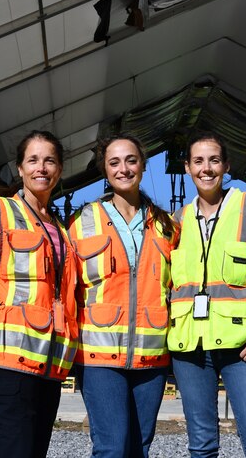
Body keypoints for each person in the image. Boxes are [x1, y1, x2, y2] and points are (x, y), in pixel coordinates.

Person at [168, 131, 246, 458]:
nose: (205, 168)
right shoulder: (177, 222)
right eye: (198, 161)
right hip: (191, 349)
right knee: (202, 446)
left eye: (213, 160)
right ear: (187, 168)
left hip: (244, 346)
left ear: (226, 166)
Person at [0, 130, 79, 458]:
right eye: (33, 160)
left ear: (60, 169)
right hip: (8, 363)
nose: (41, 167)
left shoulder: (59, 226)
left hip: (48, 367)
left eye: (50, 161)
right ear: (20, 168)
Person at [69, 133, 178, 458]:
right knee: (111, 448)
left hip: (152, 358)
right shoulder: (82, 222)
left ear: (143, 166)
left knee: (139, 448)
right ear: (104, 170)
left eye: (131, 160)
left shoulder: (167, 226)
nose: (123, 168)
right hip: (98, 358)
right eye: (114, 162)